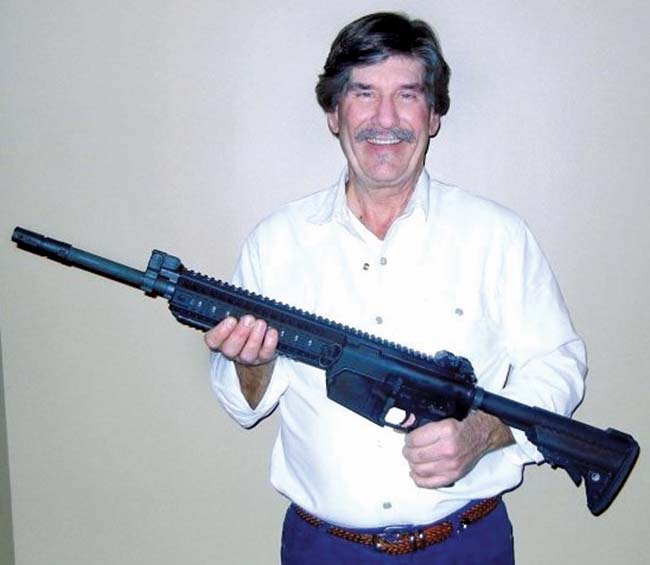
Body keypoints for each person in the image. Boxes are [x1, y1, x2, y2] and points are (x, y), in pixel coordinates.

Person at [205, 12, 586, 564]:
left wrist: (484, 432)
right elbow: (244, 405)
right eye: (364, 93)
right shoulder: (276, 242)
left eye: (407, 95)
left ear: (433, 115)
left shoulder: (496, 236)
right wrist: (250, 362)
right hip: (324, 550)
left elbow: (559, 365)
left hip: (465, 546)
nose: (385, 119)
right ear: (334, 113)